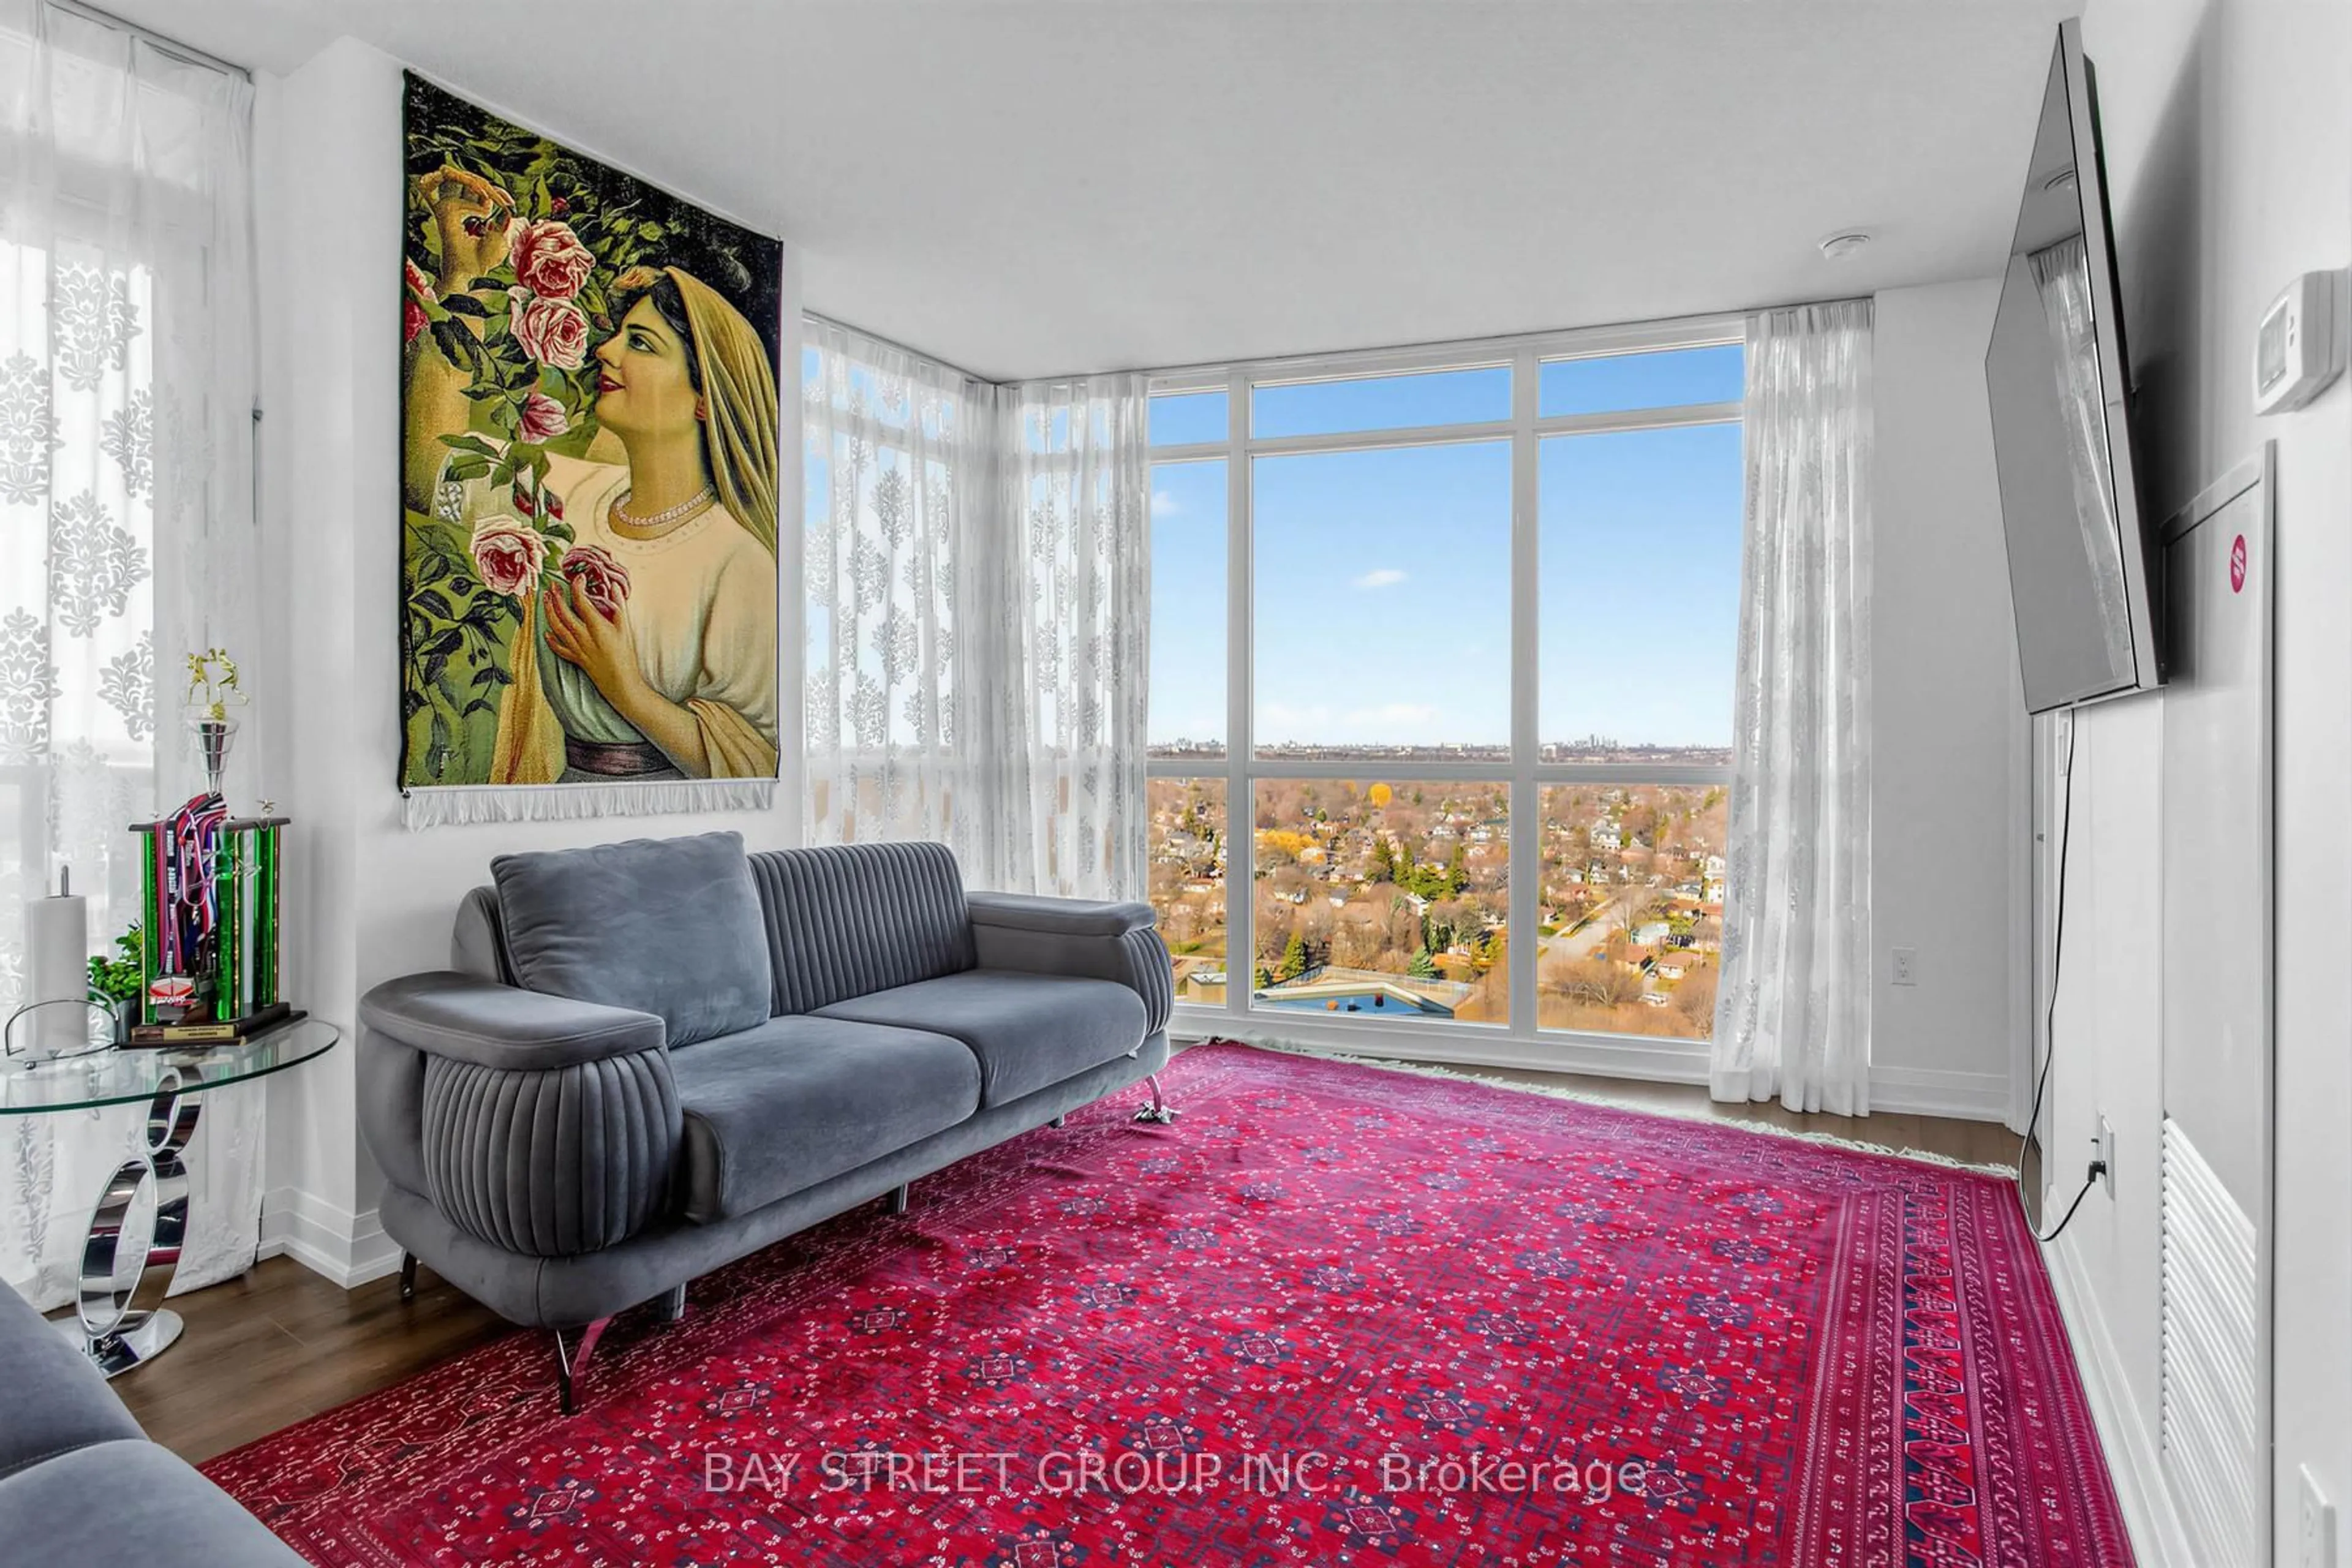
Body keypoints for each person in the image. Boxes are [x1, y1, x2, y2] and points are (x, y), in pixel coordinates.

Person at [403, 165, 778, 783]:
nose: (605, 352)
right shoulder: (570, 493)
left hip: (672, 821)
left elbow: (755, 765)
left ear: (704, 398)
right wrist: (464, 275)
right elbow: (430, 466)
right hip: (560, 801)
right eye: (617, 336)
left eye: (642, 343)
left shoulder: (736, 560)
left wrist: (625, 688)